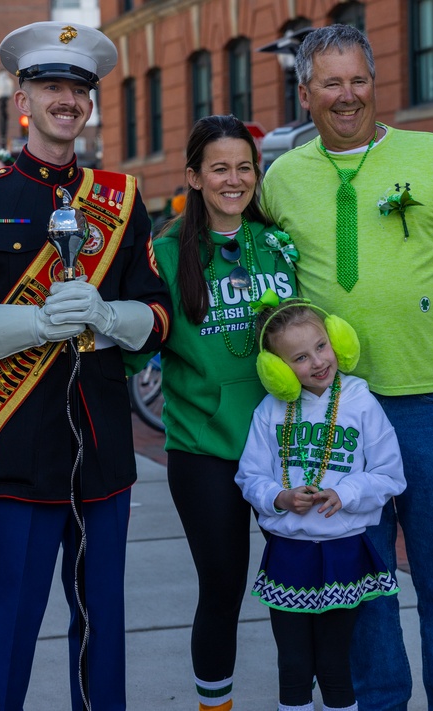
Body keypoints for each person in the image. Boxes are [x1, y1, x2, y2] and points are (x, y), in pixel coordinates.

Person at [0, 22, 171, 710]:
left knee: (103, 631)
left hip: (105, 452)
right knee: (9, 631)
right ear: (24, 97)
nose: (67, 99)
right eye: (52, 86)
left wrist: (108, 315)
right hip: (17, 449)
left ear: (90, 104)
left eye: (78, 89)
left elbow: (159, 314)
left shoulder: (120, 197)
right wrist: (31, 322)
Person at [260, 24, 433, 711]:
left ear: (376, 81)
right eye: (330, 82)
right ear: (304, 91)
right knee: (362, 582)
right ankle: (379, 703)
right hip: (334, 412)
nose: (347, 95)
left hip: (431, 403)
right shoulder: (281, 180)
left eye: (358, 79)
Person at [150, 114, 298, 711]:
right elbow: (137, 350)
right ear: (194, 175)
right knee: (223, 589)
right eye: (219, 168)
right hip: (205, 452)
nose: (234, 179)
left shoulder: (278, 242)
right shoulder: (163, 252)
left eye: (245, 167)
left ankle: (299, 699)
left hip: (287, 447)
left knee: (299, 586)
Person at [236, 297, 406, 711]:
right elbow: (249, 476)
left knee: (334, 665)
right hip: (288, 555)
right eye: (298, 357)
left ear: (336, 343)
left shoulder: (362, 403)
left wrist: (344, 493)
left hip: (343, 552)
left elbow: (390, 474)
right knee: (293, 666)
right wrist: (278, 497)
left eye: (321, 346)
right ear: (276, 369)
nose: (316, 362)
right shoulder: (270, 410)